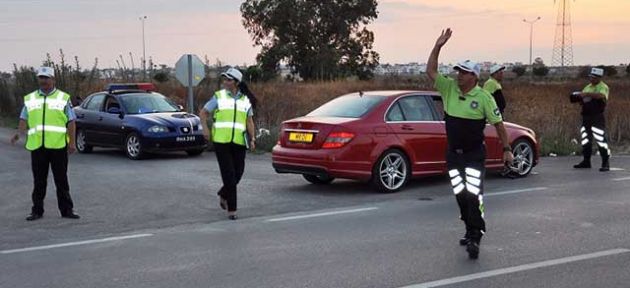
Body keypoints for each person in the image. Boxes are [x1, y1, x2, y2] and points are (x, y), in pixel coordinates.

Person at [426, 29, 514, 259]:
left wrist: (507, 150)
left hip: (474, 155)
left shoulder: (484, 97)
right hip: (453, 155)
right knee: (460, 194)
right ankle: (468, 228)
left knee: (474, 195)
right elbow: (431, 71)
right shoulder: (449, 89)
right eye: (458, 72)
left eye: (464, 73)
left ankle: (476, 235)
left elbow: (499, 125)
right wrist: (438, 46)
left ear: (474, 76)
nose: (459, 76)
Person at [10, 67, 80, 221]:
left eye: (46, 78)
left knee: (61, 180)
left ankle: (67, 210)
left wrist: (72, 142)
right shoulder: (30, 98)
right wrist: (19, 133)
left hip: (58, 146)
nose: (43, 81)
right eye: (41, 78)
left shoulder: (63, 98)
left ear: (53, 79)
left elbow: (71, 121)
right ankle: (37, 211)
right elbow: (24, 118)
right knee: (39, 181)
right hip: (38, 146)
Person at [199, 68, 257, 220]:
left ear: (237, 83)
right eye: (224, 79)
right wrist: (205, 129)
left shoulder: (245, 99)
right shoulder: (219, 97)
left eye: (229, 80)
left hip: (239, 141)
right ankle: (232, 210)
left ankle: (223, 193)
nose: (225, 82)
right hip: (221, 141)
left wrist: (253, 138)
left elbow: (249, 121)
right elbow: (203, 113)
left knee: (239, 173)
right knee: (229, 175)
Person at [572, 67, 611, 172]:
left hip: (597, 116)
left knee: (600, 140)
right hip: (586, 116)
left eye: (593, 78)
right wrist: (579, 98)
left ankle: (605, 163)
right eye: (590, 77)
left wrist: (587, 95)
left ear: (599, 78)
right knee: (586, 139)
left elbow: (601, 96)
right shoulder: (588, 87)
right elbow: (582, 96)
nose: (591, 79)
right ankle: (586, 161)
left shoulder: (603, 87)